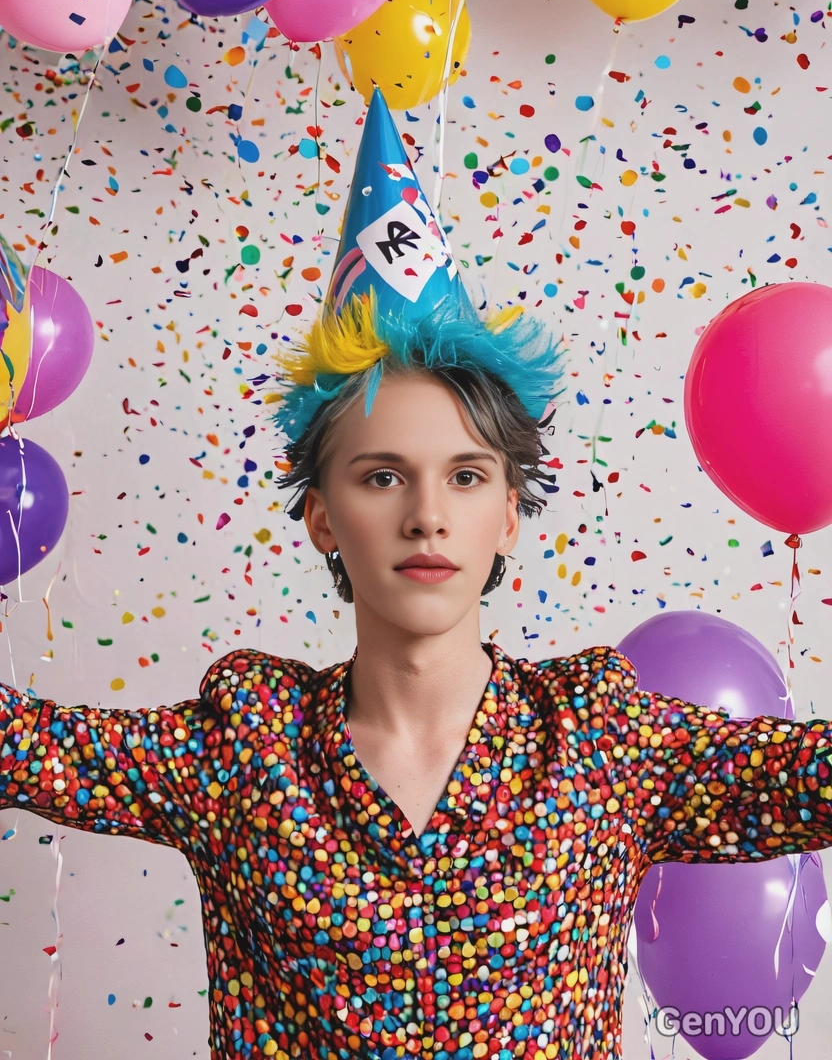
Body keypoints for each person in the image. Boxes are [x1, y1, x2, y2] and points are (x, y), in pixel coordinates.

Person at [2, 90, 832, 1060]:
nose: (427, 513)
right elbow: (24, 744)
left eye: (467, 476)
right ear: (321, 514)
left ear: (509, 513)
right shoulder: (248, 745)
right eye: (382, 474)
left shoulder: (599, 739)